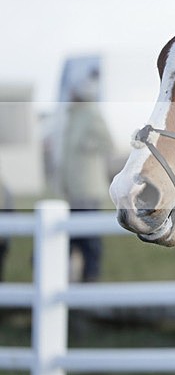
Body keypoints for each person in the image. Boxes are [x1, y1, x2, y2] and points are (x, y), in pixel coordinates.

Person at [58, 67, 113, 282]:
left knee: (89, 236)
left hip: (88, 187)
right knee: (73, 235)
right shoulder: (72, 115)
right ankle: (71, 277)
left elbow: (106, 142)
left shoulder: (91, 113)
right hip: (73, 187)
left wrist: (85, 146)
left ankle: (92, 276)